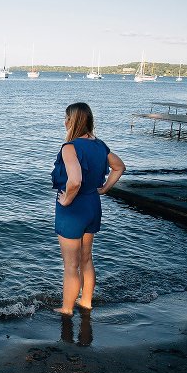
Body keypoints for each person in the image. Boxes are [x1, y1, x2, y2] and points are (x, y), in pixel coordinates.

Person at [51, 102, 125, 315]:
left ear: (72, 121)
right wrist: (104, 189)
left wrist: (66, 201)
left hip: (73, 210)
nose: (64, 122)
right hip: (93, 204)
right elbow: (119, 166)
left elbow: (74, 181)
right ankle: (86, 302)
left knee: (71, 265)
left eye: (66, 117)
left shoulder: (70, 147)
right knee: (86, 259)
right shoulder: (100, 145)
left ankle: (66, 309)